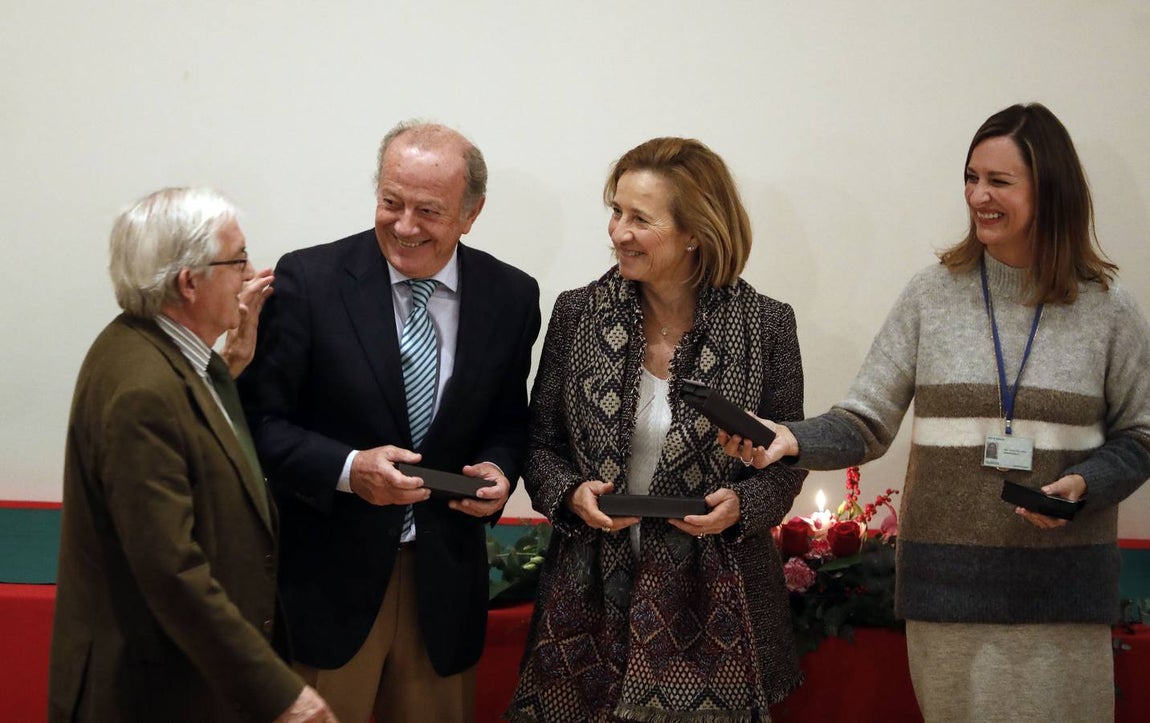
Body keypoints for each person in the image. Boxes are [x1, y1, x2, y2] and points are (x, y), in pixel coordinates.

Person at [723, 103, 1150, 721]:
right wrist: (786, 439)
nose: (978, 196)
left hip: (1060, 593)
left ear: (1049, 190)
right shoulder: (931, 294)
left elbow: (1141, 435)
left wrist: (1087, 484)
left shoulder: (1107, 308)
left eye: (998, 182)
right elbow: (864, 421)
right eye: (971, 178)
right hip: (946, 591)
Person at [239, 121, 541, 723]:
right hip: (329, 582)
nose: (405, 226)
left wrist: (501, 471)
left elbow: (509, 419)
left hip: (444, 584)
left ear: (471, 213)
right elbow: (258, 424)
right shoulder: (308, 281)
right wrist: (351, 470)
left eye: (429, 210)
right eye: (390, 202)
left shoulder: (510, 295)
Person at [507, 137, 807, 722]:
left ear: (695, 231)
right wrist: (570, 493)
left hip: (720, 602)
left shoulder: (766, 325)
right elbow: (540, 443)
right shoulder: (578, 313)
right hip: (586, 596)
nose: (618, 231)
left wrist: (741, 506)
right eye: (615, 212)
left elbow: (786, 460)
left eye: (640, 219)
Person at [49, 187, 335, 722]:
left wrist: (233, 364)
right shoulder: (142, 388)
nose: (251, 275)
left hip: (180, 678)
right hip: (149, 692)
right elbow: (169, 567)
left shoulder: (154, 349)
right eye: (238, 260)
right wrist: (282, 693)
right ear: (189, 282)